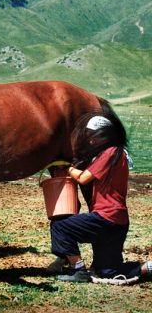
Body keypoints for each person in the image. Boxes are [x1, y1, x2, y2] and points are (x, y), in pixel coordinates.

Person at [48, 113, 152, 285]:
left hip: (106, 218)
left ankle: (78, 269)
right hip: (117, 222)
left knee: (60, 226)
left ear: (105, 136)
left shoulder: (111, 153)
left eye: (93, 136)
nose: (90, 140)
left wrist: (67, 168)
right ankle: (148, 268)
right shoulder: (116, 153)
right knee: (108, 271)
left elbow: (83, 178)